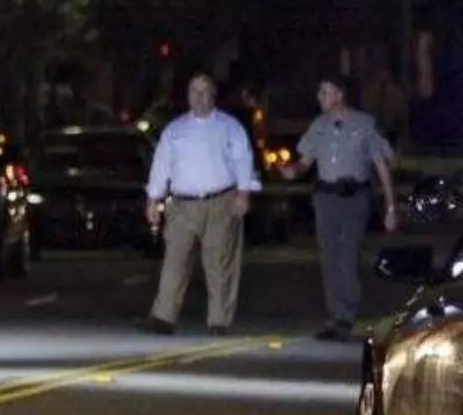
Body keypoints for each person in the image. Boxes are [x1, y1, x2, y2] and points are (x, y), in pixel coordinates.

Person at [278, 74, 398, 341]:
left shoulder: (364, 125)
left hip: (354, 197)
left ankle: (346, 312)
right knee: (329, 257)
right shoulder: (318, 126)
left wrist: (391, 207)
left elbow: (381, 165)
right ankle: (337, 316)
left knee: (347, 254)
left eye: (325, 92)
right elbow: (305, 161)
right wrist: (292, 170)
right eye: (319, 92)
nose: (319, 97)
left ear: (339, 94)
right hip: (326, 197)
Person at [142, 72, 260, 336]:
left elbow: (243, 160)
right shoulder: (175, 130)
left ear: (213, 95)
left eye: (204, 90)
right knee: (175, 260)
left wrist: (244, 193)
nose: (198, 96)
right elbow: (161, 166)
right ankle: (163, 316)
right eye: (193, 91)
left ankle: (219, 320)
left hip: (220, 200)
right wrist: (154, 198)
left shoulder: (230, 127)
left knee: (219, 263)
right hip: (183, 204)